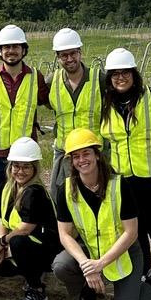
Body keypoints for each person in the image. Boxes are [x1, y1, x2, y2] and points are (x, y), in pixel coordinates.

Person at [53, 129, 151, 300]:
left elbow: (131, 232)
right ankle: (82, 297)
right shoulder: (65, 189)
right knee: (61, 265)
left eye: (86, 154)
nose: (81, 160)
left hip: (124, 254)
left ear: (97, 155)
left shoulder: (119, 185)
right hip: (90, 251)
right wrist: (87, 265)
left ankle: (149, 289)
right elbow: (64, 234)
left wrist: (100, 264)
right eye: (76, 156)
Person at [100, 47, 151, 282]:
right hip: (122, 176)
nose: (120, 78)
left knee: (148, 221)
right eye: (115, 74)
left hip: (150, 175)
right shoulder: (106, 103)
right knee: (135, 226)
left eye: (125, 72)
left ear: (134, 73)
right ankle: (144, 273)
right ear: (110, 78)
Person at [0, 24, 48, 249]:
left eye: (15, 46)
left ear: (24, 50)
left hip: (25, 155)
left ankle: (21, 244)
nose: (11, 51)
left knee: (26, 202)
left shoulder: (36, 77)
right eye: (6, 47)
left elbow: (48, 100)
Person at [0, 137, 61, 300]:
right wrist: (0, 246)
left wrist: (3, 244)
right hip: (20, 244)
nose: (20, 171)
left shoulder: (34, 192)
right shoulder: (9, 187)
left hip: (43, 248)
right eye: (16, 166)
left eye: (26, 167)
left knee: (17, 243)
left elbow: (25, 229)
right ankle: (27, 268)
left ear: (34, 168)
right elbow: (2, 219)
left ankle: (36, 289)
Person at [46, 28, 104, 201]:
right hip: (65, 151)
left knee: (97, 196)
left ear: (80, 52)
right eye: (64, 55)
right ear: (58, 57)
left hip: (92, 151)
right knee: (61, 197)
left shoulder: (99, 78)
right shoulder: (51, 81)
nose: (69, 59)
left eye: (73, 53)